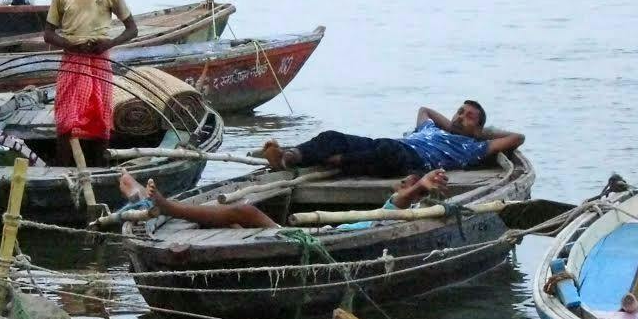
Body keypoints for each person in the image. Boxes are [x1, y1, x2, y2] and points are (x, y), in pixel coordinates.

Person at [42, 0, 138, 167]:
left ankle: (99, 166)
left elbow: (132, 29)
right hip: (72, 60)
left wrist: (110, 43)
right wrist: (71, 45)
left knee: (100, 114)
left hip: (99, 60)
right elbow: (48, 34)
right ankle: (63, 167)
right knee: (66, 115)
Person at [255, 100, 524, 177]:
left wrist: (474, 133)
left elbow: (517, 137)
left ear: (478, 128)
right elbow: (425, 110)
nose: (460, 116)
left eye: (469, 116)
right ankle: (289, 157)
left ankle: (334, 161)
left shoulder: (472, 147)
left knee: (387, 151)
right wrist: (452, 125)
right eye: (459, 111)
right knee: (332, 136)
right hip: (392, 145)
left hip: (410, 159)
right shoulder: (430, 129)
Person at [116, 168, 451, 230]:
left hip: (318, 238)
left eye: (405, 183)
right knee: (233, 220)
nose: (401, 185)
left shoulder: (393, 212)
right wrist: (417, 187)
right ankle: (143, 198)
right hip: (320, 233)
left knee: (245, 211)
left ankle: (166, 206)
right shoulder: (391, 209)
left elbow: (401, 201)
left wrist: (420, 187)